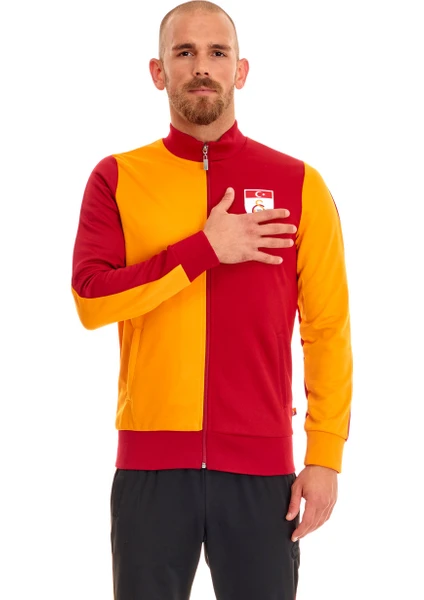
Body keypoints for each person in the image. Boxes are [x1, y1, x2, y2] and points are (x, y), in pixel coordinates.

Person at [71, 1, 353, 598]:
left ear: (240, 71)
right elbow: (92, 300)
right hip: (150, 470)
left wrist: (325, 455)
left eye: (217, 52)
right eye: (185, 52)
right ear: (158, 72)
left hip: (263, 471)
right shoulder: (116, 178)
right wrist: (204, 249)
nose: (202, 66)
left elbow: (327, 328)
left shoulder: (300, 183)